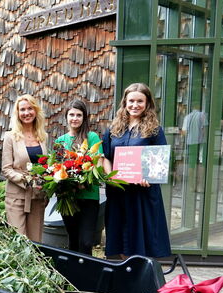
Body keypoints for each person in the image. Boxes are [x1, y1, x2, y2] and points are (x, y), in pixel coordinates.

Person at [102, 83, 171, 259]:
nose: (135, 105)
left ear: (147, 104)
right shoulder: (114, 129)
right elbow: (106, 157)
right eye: (131, 101)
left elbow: (159, 160)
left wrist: (149, 176)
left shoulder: (154, 130)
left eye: (140, 101)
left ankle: (142, 277)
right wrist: (111, 177)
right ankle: (127, 273)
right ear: (125, 102)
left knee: (141, 237)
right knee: (122, 237)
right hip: (119, 192)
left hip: (142, 193)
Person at [55, 99, 102, 255]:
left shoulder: (92, 137)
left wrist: (83, 180)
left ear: (84, 118)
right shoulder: (60, 141)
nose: (75, 118)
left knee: (86, 241)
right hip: (68, 197)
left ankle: (87, 275)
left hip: (88, 196)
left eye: (79, 115)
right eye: (72, 114)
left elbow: (98, 163)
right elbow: (56, 168)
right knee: (73, 239)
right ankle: (73, 276)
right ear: (66, 117)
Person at [2, 95, 48, 241]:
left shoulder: (42, 136)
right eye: (22, 109)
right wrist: (27, 180)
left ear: (36, 111)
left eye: (30, 109)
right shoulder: (10, 137)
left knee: (36, 242)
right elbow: (6, 169)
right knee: (18, 242)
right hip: (17, 196)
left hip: (37, 196)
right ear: (17, 113)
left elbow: (46, 165)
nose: (26, 113)